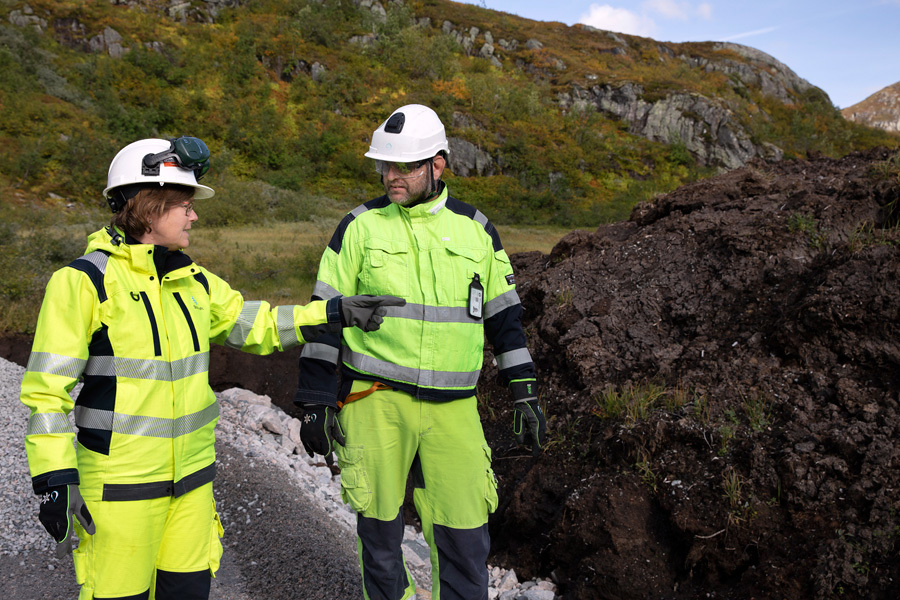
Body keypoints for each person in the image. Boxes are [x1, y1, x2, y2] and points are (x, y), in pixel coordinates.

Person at [20, 136, 404, 600]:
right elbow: (46, 394)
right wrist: (55, 480)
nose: (193, 214)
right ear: (147, 206)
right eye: (183, 203)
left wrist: (331, 313)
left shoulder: (193, 280)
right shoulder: (83, 282)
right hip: (119, 493)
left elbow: (255, 323)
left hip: (192, 490)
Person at [295, 104, 547, 600]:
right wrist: (317, 401)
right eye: (385, 166)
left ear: (438, 165)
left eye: (405, 166)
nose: (392, 176)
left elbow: (506, 321)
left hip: (454, 411)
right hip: (375, 402)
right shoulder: (359, 228)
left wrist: (524, 392)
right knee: (382, 541)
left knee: (465, 536)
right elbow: (323, 316)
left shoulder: (477, 230)